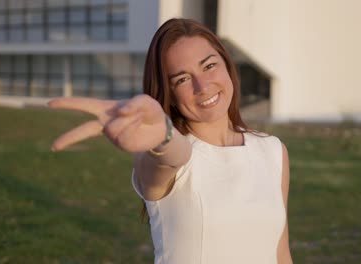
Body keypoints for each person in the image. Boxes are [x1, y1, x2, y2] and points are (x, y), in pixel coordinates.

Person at [48, 18, 292, 264]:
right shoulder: (164, 153)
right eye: (182, 79)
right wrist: (163, 135)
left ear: (227, 65)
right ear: (170, 94)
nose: (203, 86)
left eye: (209, 66)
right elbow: (173, 155)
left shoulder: (272, 151)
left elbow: (281, 254)